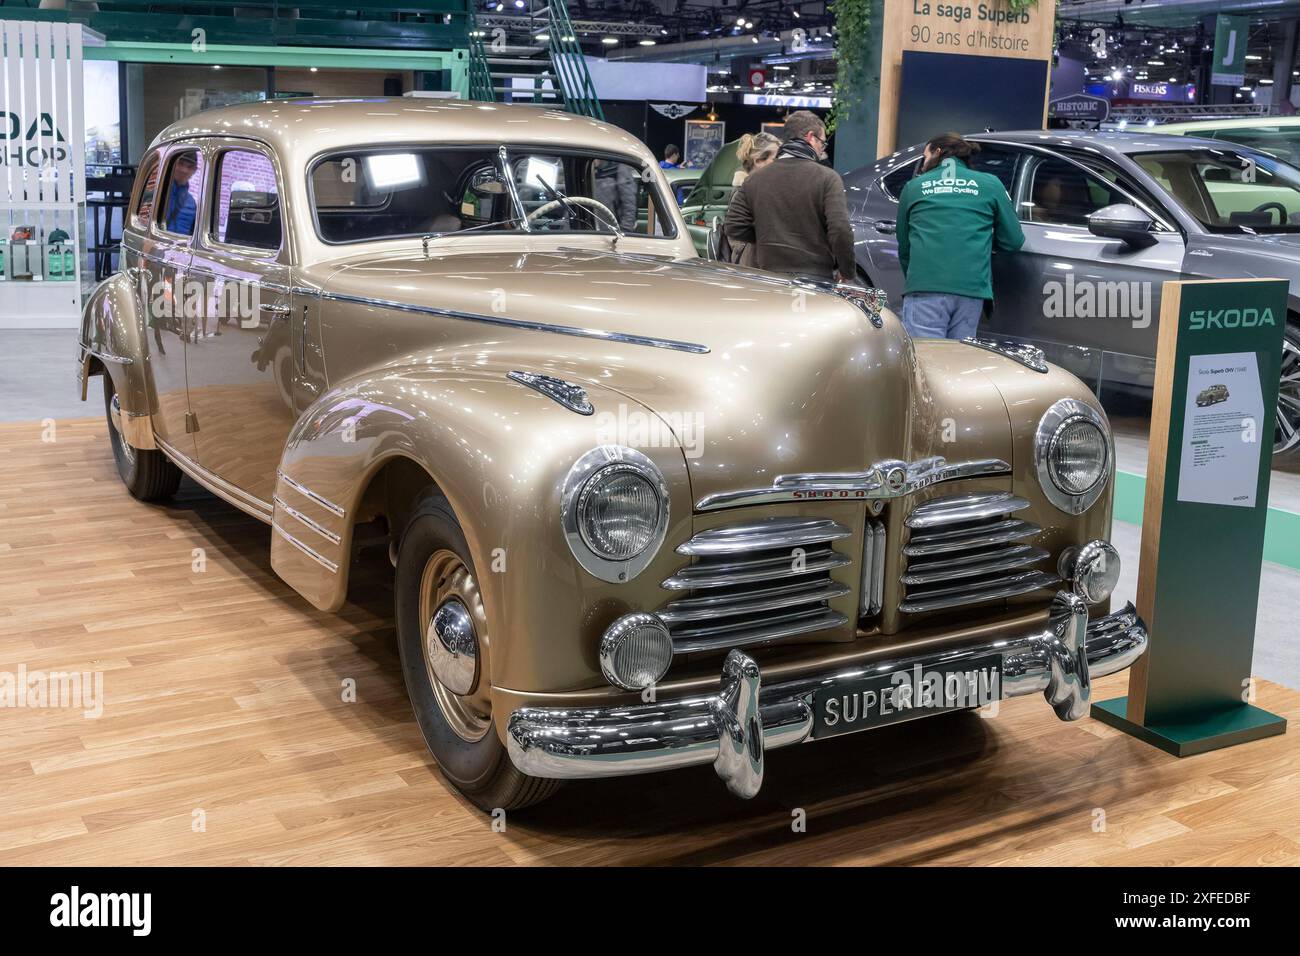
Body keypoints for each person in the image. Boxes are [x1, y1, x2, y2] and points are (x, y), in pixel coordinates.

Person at [895, 132, 1024, 340]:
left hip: (926, 286)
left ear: (938, 152)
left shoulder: (913, 188)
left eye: (925, 157)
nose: (923, 164)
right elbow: (1014, 241)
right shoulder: (991, 184)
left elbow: (904, 247)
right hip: (972, 290)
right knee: (959, 364)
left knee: (925, 361)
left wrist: (919, 279)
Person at [722, 111, 855, 281]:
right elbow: (840, 230)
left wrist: (767, 237)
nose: (822, 150)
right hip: (815, 279)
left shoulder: (754, 180)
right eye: (822, 143)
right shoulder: (827, 178)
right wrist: (846, 270)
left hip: (768, 277)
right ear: (811, 137)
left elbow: (733, 226)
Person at [720, 131, 780, 266]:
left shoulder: (750, 188)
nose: (780, 165)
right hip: (752, 266)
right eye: (776, 159)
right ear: (758, 160)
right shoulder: (747, 192)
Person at [592, 158, 638, 232]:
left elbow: (629, 205)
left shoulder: (617, 168)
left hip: (612, 234)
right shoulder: (583, 167)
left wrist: (624, 231)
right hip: (588, 231)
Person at [165, 153, 199, 236]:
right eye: (180, 163)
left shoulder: (192, 203)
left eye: (190, 167)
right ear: (172, 164)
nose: (184, 170)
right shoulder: (157, 194)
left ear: (194, 170)